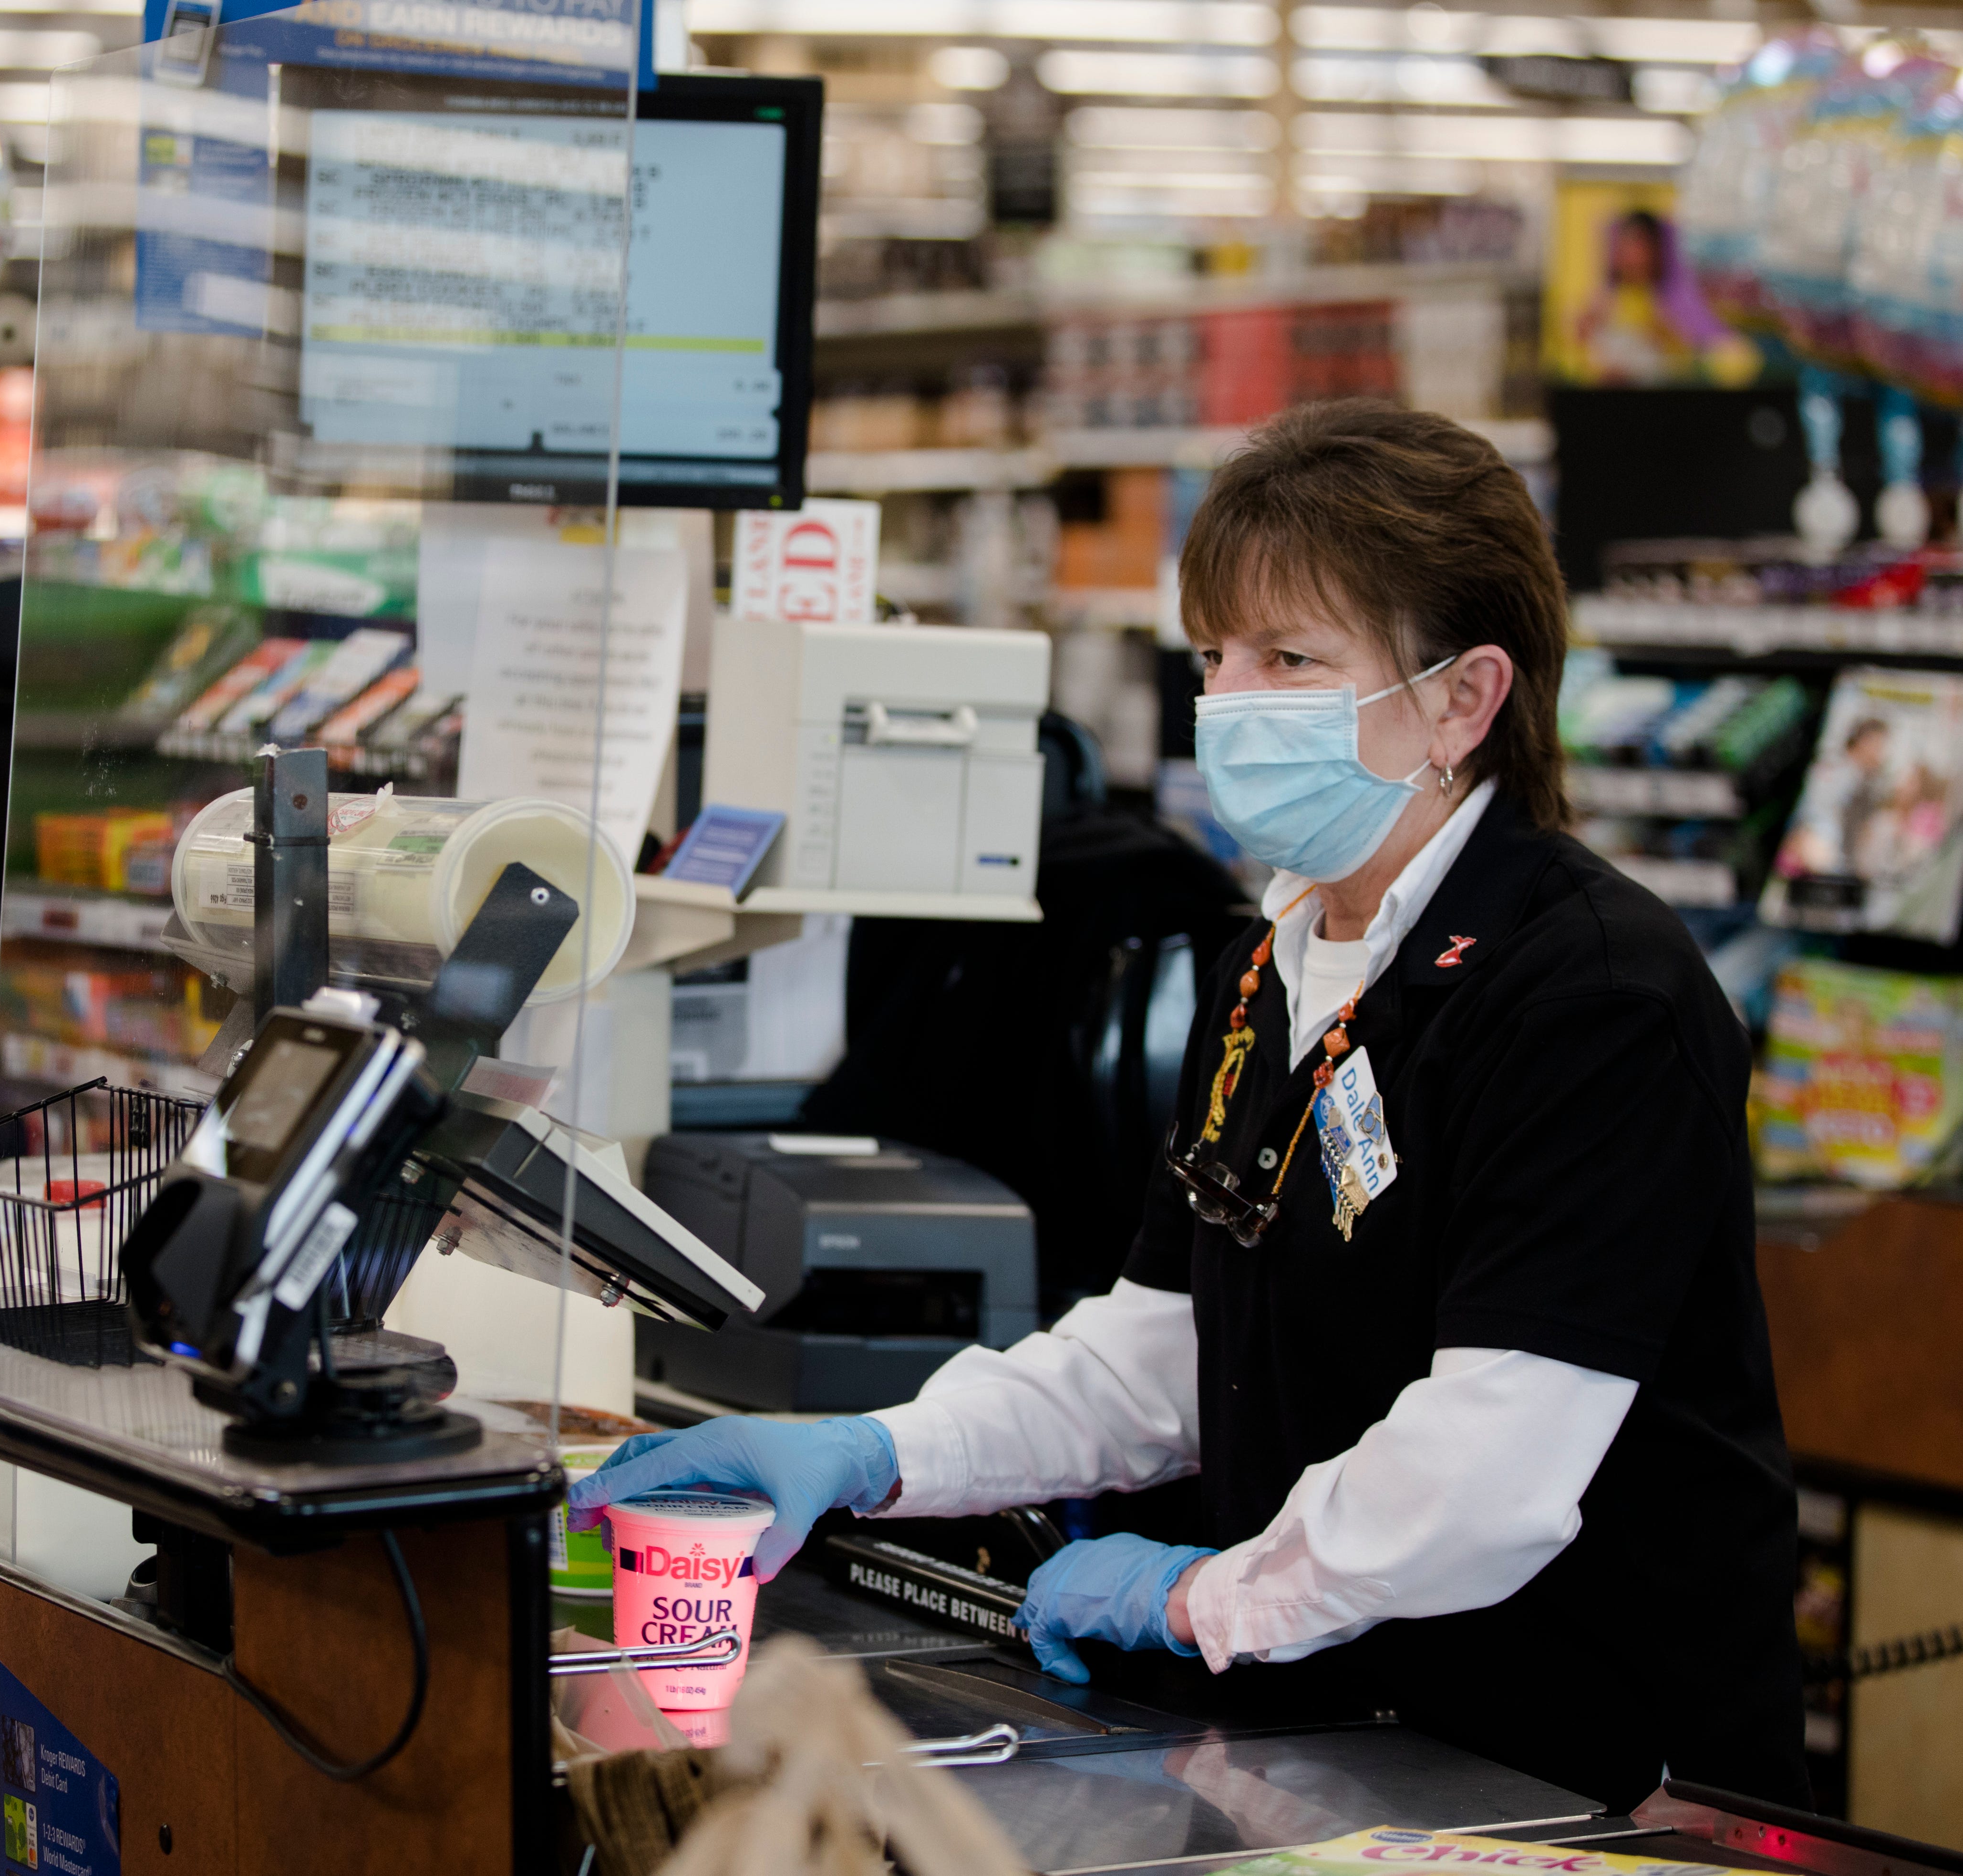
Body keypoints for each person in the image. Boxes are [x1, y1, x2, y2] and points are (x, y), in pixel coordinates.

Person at [573, 400, 1809, 1810]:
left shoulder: (1595, 996)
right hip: (1343, 1734)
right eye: (1215, 655)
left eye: (1292, 660)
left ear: (1464, 700)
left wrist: (1202, 1598)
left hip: (1582, 1773)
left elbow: (1490, 1474)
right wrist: (876, 1453)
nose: (1228, 703)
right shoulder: (1269, 965)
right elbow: (1162, 1351)